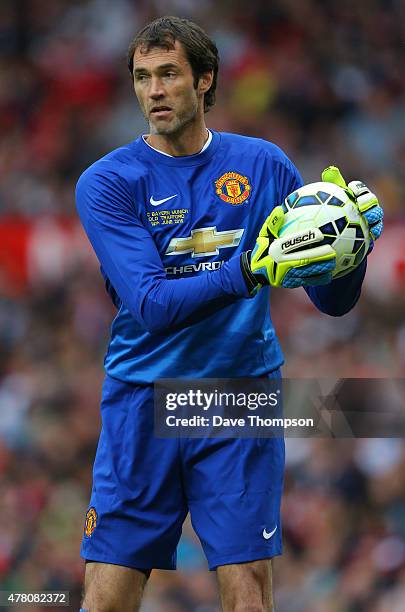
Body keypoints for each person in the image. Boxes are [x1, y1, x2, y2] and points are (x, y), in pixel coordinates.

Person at [75, 16, 383, 612]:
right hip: (143, 396)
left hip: (238, 393)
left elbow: (332, 304)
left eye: (169, 74)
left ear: (205, 80)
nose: (154, 91)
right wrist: (251, 268)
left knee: (247, 593)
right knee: (110, 597)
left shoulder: (264, 165)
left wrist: (351, 250)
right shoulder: (107, 182)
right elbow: (154, 307)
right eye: (143, 77)